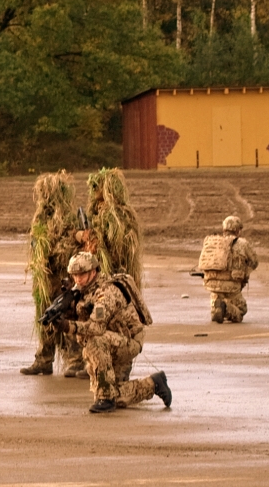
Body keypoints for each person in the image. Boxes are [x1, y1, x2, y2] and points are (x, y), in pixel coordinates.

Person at [54, 252, 172, 414]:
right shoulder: (84, 291)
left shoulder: (106, 293)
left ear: (93, 272)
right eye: (74, 275)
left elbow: (96, 329)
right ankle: (153, 384)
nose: (77, 279)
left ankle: (106, 400)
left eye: (81, 274)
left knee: (95, 342)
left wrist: (68, 326)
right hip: (113, 340)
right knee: (114, 393)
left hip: (127, 341)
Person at [22, 171, 85, 377]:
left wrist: (50, 251)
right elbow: (36, 241)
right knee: (45, 317)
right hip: (44, 279)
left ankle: (74, 361)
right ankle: (44, 359)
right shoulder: (41, 218)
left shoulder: (67, 218)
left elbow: (69, 246)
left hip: (62, 278)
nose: (43, 198)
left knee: (66, 315)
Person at [198, 215, 259, 324]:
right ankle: (226, 308)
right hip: (232, 286)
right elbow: (254, 262)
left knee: (216, 307)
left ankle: (218, 308)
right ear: (237, 231)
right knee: (241, 309)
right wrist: (244, 274)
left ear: (223, 229)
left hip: (212, 284)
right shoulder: (242, 243)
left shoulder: (211, 242)